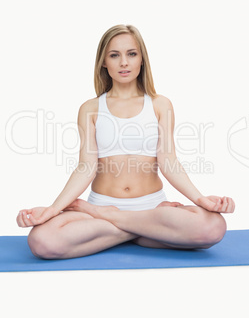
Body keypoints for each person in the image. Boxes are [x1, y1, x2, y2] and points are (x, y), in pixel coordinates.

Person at [16, 24, 235, 259]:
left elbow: (169, 161)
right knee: (41, 241)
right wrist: (53, 209)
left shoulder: (160, 104)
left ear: (142, 59)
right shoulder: (90, 108)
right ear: (103, 62)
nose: (124, 63)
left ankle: (119, 224)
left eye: (131, 54)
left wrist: (201, 199)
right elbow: (86, 166)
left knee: (213, 227)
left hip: (150, 207)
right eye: (114, 55)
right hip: (103, 205)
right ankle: (146, 233)